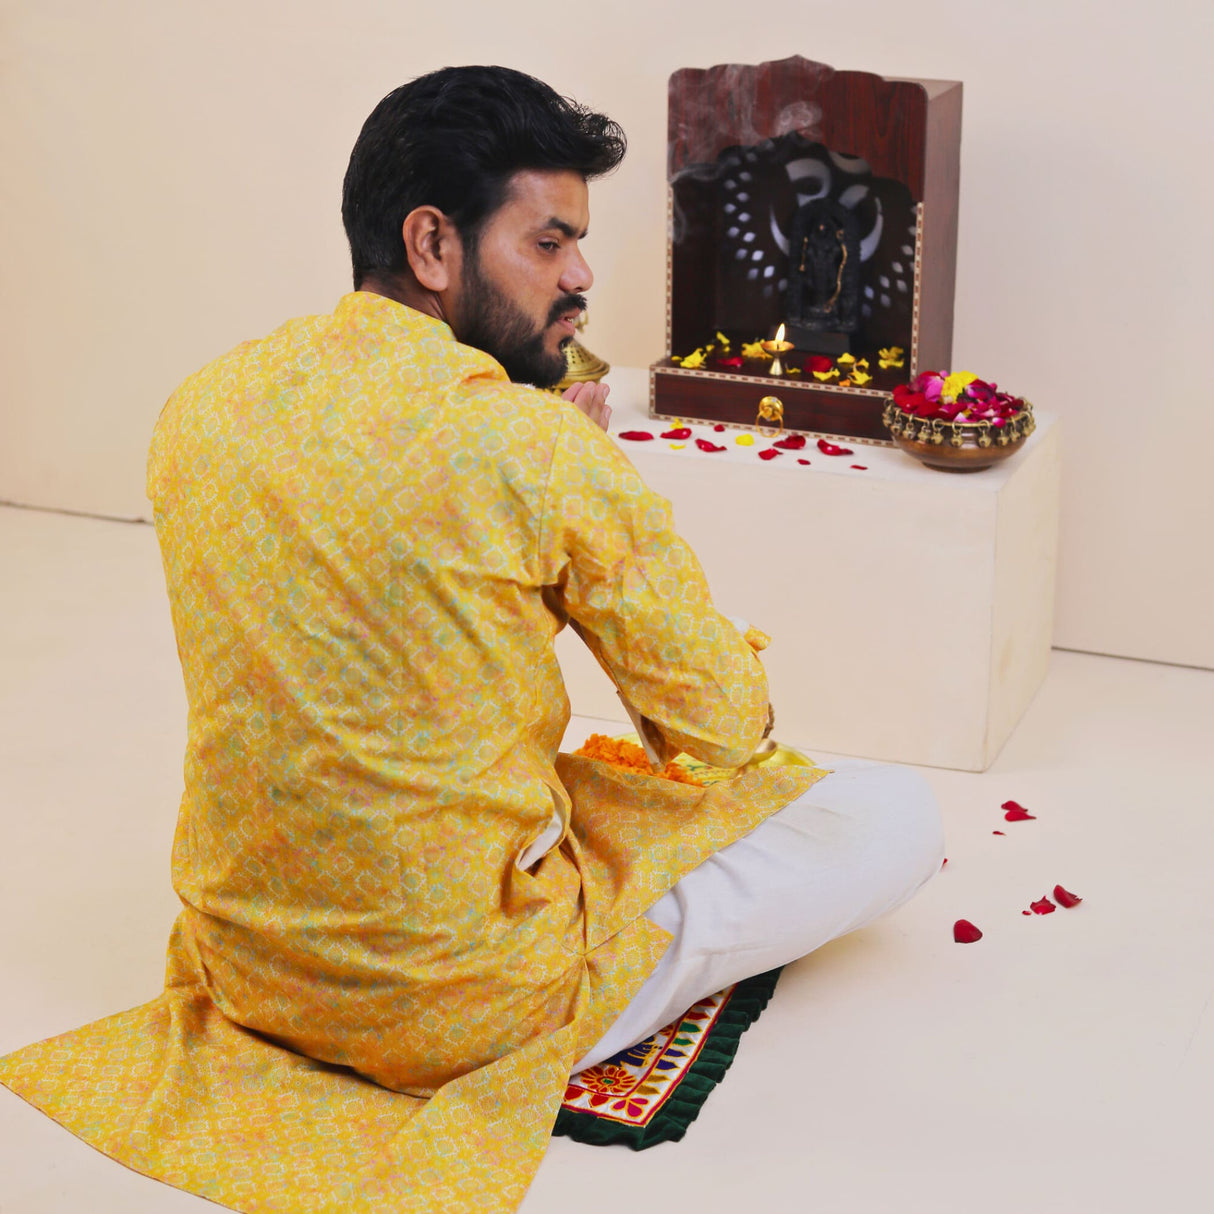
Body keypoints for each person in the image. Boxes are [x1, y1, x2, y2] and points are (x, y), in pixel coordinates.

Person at [0, 66, 943, 1213]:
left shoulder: (199, 405)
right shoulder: (530, 448)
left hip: (245, 967)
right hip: (462, 1001)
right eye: (549, 243)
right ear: (433, 243)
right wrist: (580, 474)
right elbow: (721, 727)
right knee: (894, 816)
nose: (581, 277)